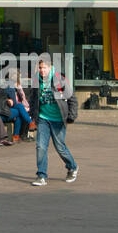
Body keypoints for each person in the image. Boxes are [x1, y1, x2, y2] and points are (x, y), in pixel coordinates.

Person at [28, 58, 78, 186]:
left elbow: (72, 98)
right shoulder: (36, 80)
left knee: (60, 147)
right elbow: (33, 98)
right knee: (41, 146)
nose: (42, 71)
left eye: (44, 68)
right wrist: (33, 114)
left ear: (50, 68)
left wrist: (71, 116)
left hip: (58, 119)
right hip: (43, 118)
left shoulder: (59, 80)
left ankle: (72, 167)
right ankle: (41, 175)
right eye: (40, 68)